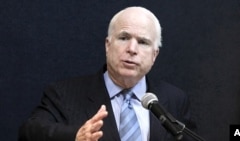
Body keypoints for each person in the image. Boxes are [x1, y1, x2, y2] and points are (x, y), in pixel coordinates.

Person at [19, 6, 195, 141]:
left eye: (143, 42)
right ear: (108, 45)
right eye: (124, 38)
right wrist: (75, 136)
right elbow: (29, 132)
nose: (132, 49)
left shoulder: (174, 99)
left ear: (154, 55)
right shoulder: (63, 94)